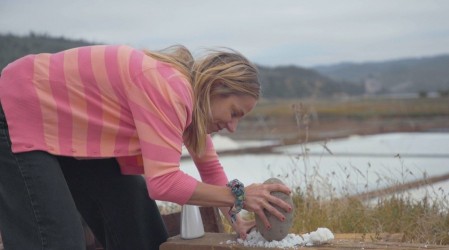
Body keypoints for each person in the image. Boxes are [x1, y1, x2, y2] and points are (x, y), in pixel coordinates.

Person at [0, 44, 292, 250]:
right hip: (19, 106)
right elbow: (163, 183)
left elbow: (210, 167)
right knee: (55, 240)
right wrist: (238, 196)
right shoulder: (170, 89)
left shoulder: (193, 108)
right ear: (215, 88)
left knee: (139, 225)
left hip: (67, 130)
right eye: (234, 113)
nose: (232, 126)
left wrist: (237, 219)